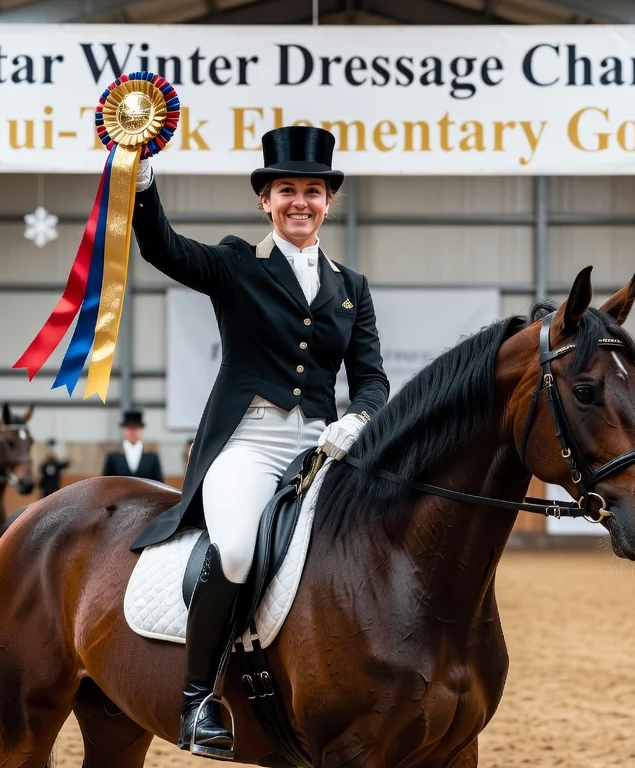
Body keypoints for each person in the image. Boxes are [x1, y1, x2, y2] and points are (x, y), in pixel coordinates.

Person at [126, 126, 390, 758]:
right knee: (238, 550)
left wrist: (360, 418)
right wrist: (139, 179)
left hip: (323, 448)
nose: (300, 202)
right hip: (248, 442)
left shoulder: (351, 287)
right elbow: (163, 247)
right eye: (287, 191)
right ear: (265, 201)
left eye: (312, 191)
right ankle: (197, 699)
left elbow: (373, 377)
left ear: (328, 202)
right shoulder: (238, 263)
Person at [101, 410, 163, 482]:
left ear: (141, 430)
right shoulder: (113, 457)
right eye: (130, 428)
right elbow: (106, 483)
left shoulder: (152, 457)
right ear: (124, 430)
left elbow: (159, 483)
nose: (133, 432)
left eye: (136, 428)